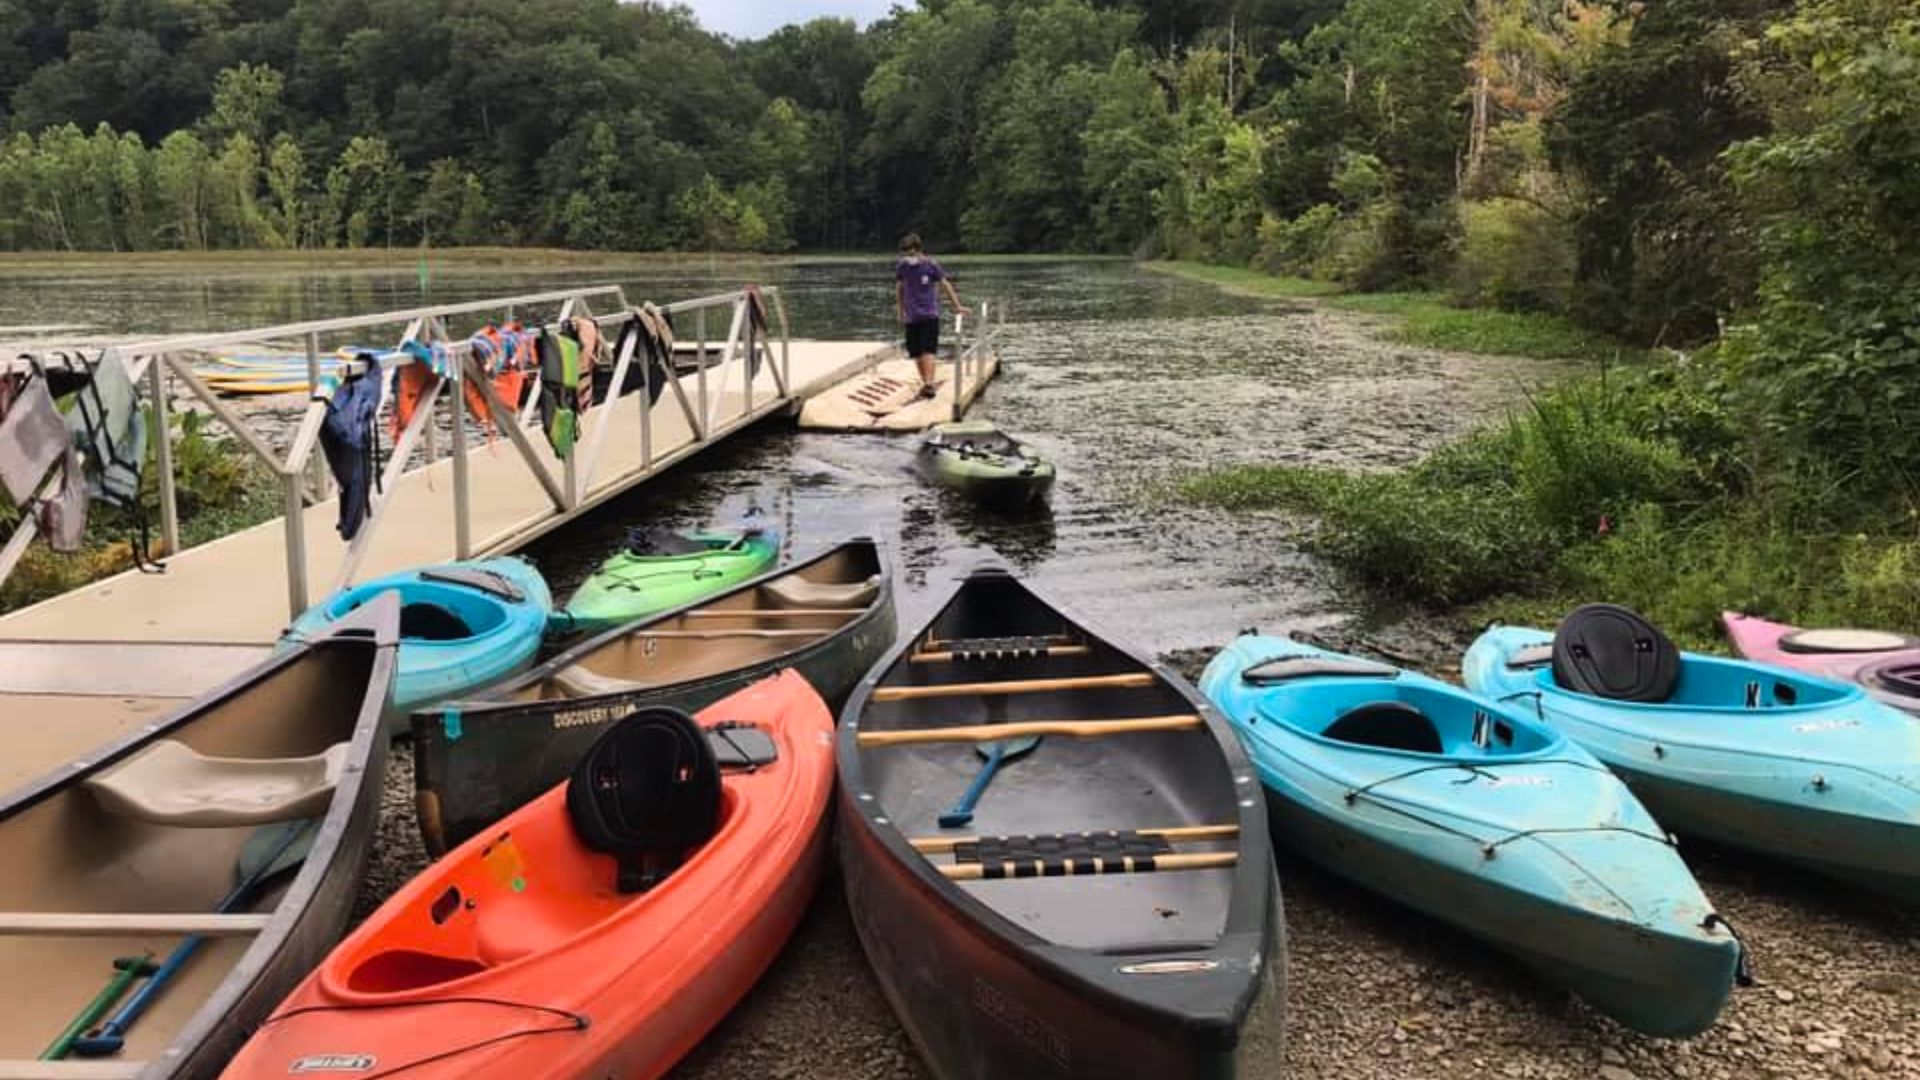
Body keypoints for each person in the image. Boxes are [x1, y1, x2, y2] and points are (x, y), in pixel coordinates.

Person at [895, 233, 970, 399]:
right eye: (906, 253)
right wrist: (900, 310)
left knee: (928, 349)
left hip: (929, 314)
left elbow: (945, 285)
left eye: (912, 253)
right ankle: (926, 384)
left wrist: (957, 306)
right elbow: (899, 288)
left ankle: (929, 383)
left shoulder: (931, 265)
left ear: (919, 250)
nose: (909, 257)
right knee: (915, 353)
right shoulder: (902, 266)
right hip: (911, 316)